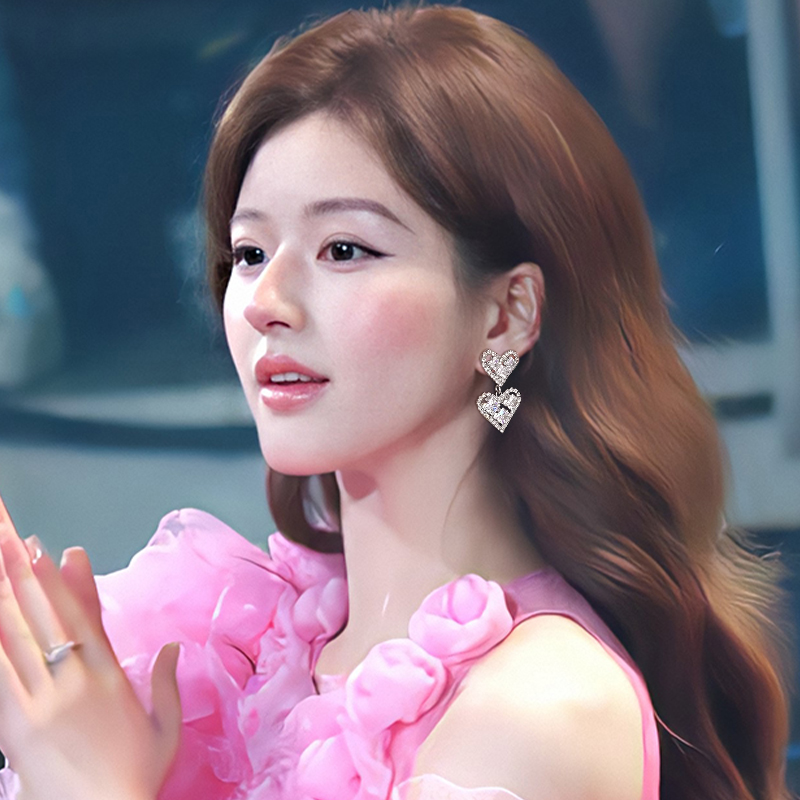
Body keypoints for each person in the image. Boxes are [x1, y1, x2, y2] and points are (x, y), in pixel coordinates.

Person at [0, 2, 793, 799]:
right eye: (250, 252)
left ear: (507, 313)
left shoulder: (540, 710)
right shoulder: (236, 654)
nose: (265, 302)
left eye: (344, 249)